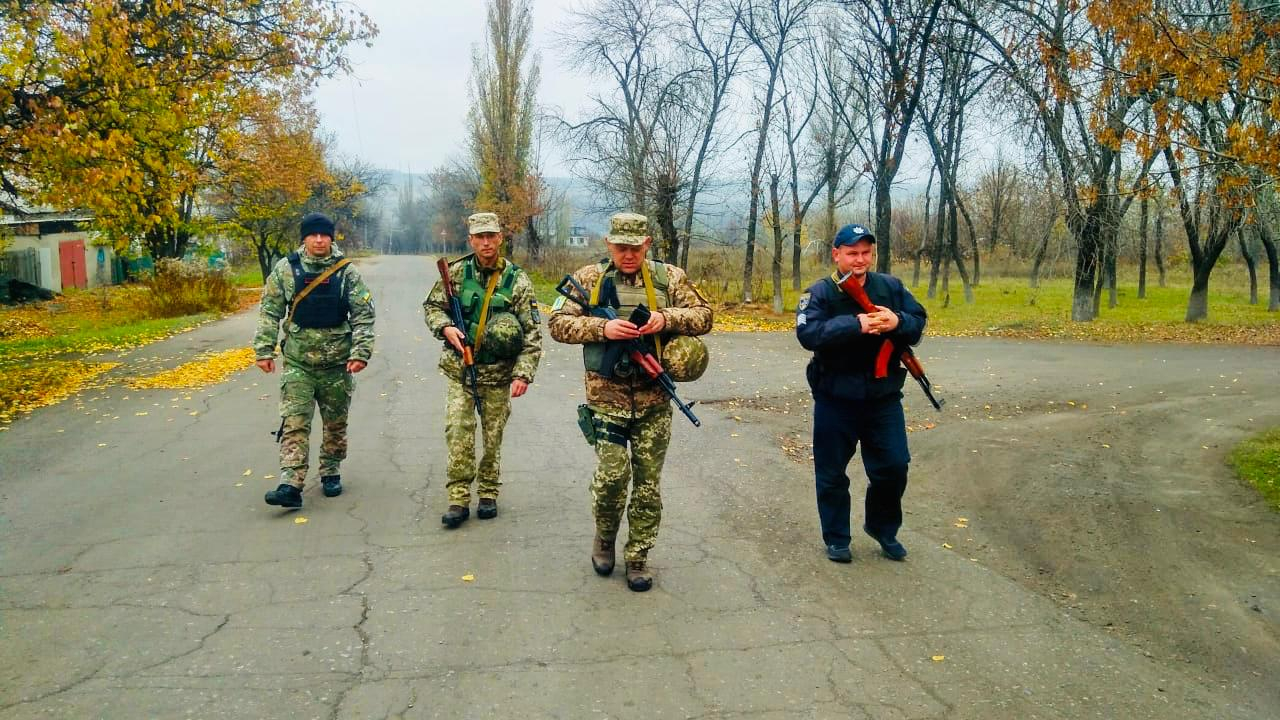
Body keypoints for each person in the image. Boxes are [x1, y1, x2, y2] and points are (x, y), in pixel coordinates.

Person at [549, 212, 713, 592]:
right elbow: (557, 324)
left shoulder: (668, 278)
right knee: (610, 479)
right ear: (609, 245)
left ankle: (638, 556)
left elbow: (705, 316)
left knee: (647, 485)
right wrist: (601, 327)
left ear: (647, 245)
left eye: (635, 248)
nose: (627, 255)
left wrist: (664, 318)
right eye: (621, 248)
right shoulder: (590, 279)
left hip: (654, 398)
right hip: (606, 398)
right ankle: (604, 537)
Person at [795, 223, 927, 563]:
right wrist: (857, 324)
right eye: (852, 253)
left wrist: (897, 321)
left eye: (866, 252)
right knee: (832, 472)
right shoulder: (821, 292)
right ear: (836, 254)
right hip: (835, 398)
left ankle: (882, 528)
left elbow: (918, 321)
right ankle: (837, 538)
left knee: (894, 466)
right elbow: (808, 334)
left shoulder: (890, 287)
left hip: (882, 398)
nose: (860, 259)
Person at [424, 212, 543, 528]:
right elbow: (433, 307)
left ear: (500, 238)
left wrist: (523, 374)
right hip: (460, 371)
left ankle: (488, 492)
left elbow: (532, 333)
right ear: (471, 240)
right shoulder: (456, 274)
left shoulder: (517, 280)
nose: (486, 242)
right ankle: (459, 497)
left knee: (493, 436)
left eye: (492, 236)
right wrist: (446, 328)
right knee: (458, 432)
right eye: (480, 237)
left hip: (498, 374)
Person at [254, 212, 375, 509]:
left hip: (337, 364)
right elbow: (270, 310)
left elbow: (364, 314)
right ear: (304, 238)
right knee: (295, 422)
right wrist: (264, 349)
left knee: (335, 423)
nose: (319, 240)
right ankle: (290, 483)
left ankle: (330, 470)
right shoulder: (286, 269)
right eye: (313, 235)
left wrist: (361, 352)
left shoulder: (346, 271)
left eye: (324, 235)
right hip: (298, 364)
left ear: (331, 238)